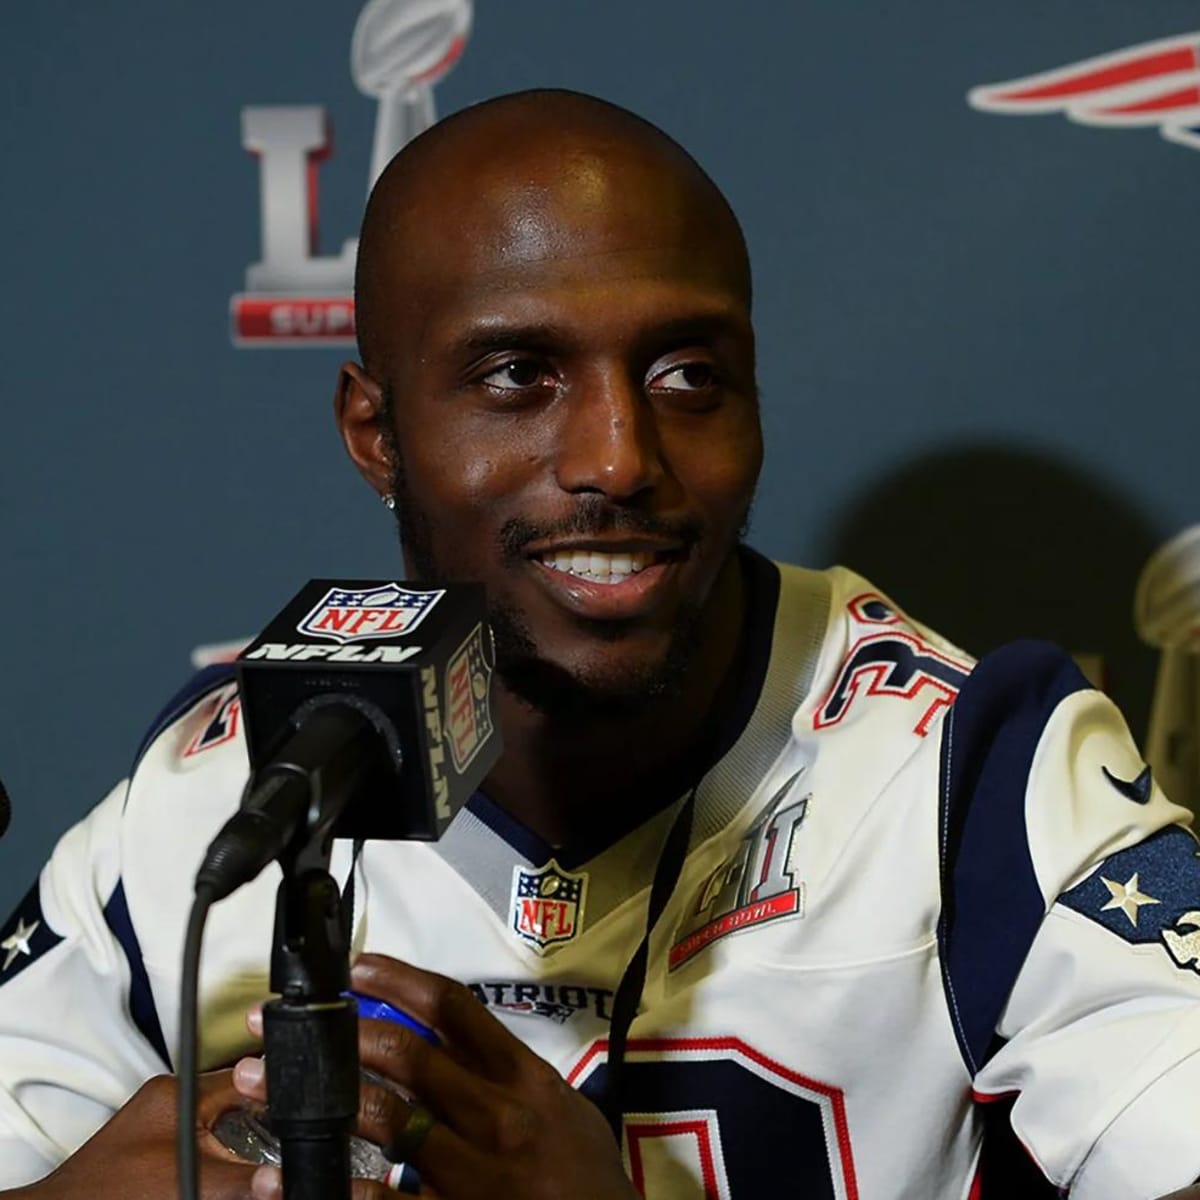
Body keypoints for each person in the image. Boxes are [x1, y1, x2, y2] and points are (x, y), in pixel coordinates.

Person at [1, 89, 1199, 1200]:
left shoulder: (971, 769)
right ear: (376, 431)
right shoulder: (237, 780)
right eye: (519, 375)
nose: (621, 457)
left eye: (688, 374)